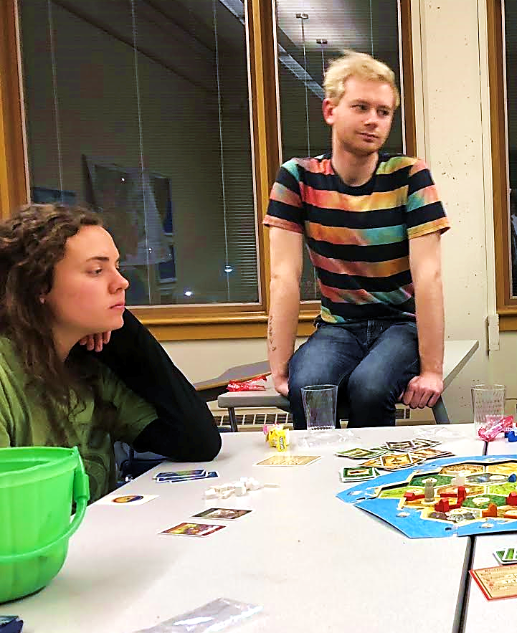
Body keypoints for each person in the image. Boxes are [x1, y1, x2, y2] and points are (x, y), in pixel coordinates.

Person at [265, 51, 449, 428]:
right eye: (361, 107)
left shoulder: (410, 175)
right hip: (337, 325)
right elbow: (283, 276)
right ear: (330, 110)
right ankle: (315, 483)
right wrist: (279, 366)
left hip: (400, 324)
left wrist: (432, 370)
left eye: (383, 112)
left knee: (370, 387)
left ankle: (371, 482)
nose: (372, 120)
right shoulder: (296, 177)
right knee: (308, 386)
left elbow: (428, 275)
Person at [0, 204, 220, 500]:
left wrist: (123, 327)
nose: (122, 282)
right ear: (38, 284)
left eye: (118, 267)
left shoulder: (84, 366)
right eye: (96, 270)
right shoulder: (6, 377)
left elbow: (196, 440)